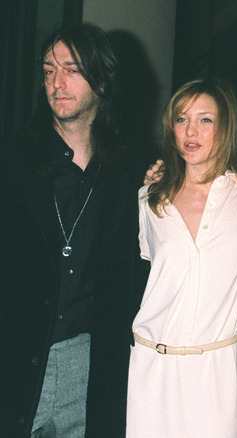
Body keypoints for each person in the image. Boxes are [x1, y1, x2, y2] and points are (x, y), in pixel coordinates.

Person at [0, 23, 149, 437]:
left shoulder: (133, 173)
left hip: (92, 364)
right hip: (16, 359)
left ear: (101, 82)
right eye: (49, 70)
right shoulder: (12, 161)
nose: (57, 83)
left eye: (71, 70)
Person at [126, 78, 237, 437]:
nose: (190, 131)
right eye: (181, 119)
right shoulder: (149, 197)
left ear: (226, 127)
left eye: (205, 120)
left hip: (217, 372)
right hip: (151, 367)